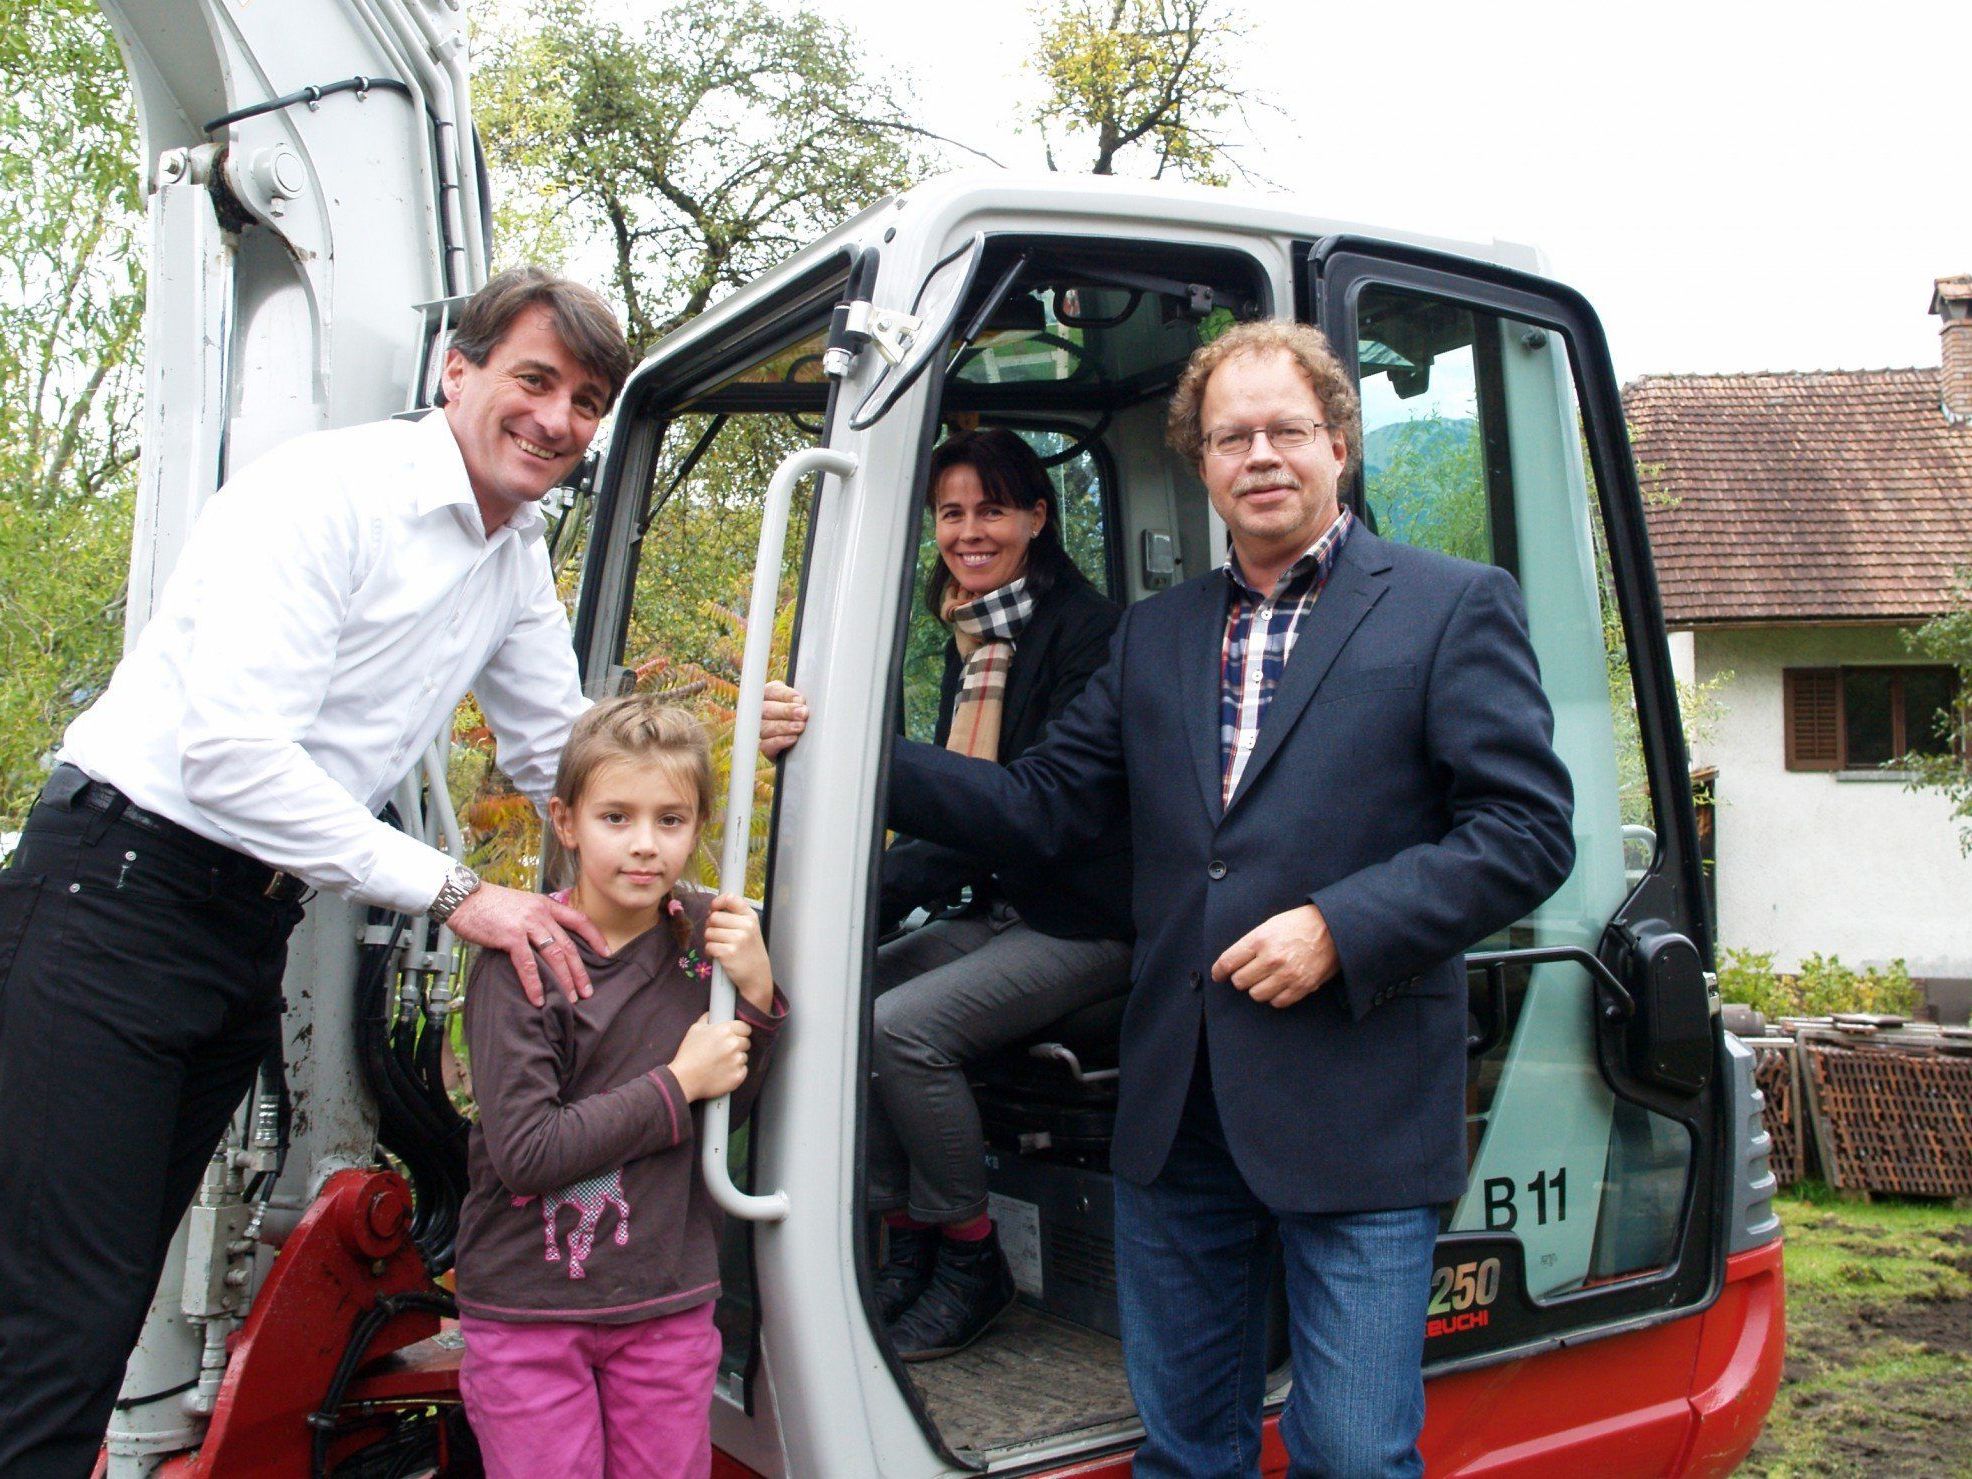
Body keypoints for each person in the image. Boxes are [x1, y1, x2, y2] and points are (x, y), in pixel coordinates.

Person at [809, 320, 1576, 1475]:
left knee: (1355, 1458)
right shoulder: (1155, 635)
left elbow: (1524, 833)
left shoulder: (1449, 605)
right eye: (1232, 436)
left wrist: (1340, 925)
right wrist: (843, 743)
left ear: (1338, 444)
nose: (1260, 454)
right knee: (1182, 1453)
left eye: (1287, 430)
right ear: (1201, 462)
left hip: (1354, 1105)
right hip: (1178, 1110)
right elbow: (1040, 806)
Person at [0, 267, 637, 1476]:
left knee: (100, 1309)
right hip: (112, 903)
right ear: (458, 370)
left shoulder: (511, 552)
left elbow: (561, 751)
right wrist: (461, 893)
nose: (557, 420)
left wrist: (708, 800)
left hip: (238, 931)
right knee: (49, 1328)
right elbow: (233, 759)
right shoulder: (328, 493)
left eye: (588, 401)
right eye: (535, 380)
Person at [455, 695, 786, 1479]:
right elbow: (528, 1152)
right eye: (616, 818)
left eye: (670, 820)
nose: (645, 846)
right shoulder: (524, 957)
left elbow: (726, 1110)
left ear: (699, 823)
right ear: (566, 822)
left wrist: (760, 996)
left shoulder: (708, 941)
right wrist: (678, 1082)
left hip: (665, 1299)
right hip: (529, 1311)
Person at [868, 429, 1133, 1361]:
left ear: (1035, 518)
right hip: (1005, 903)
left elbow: (1032, 813)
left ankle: (971, 1256)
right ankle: (903, 1242)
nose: (969, 531)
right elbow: (957, 812)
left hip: (1090, 917)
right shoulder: (974, 632)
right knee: (833, 994)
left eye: (991, 509)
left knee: (901, 1028)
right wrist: (848, 903)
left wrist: (863, 751)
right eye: (951, 512)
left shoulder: (1089, 637)